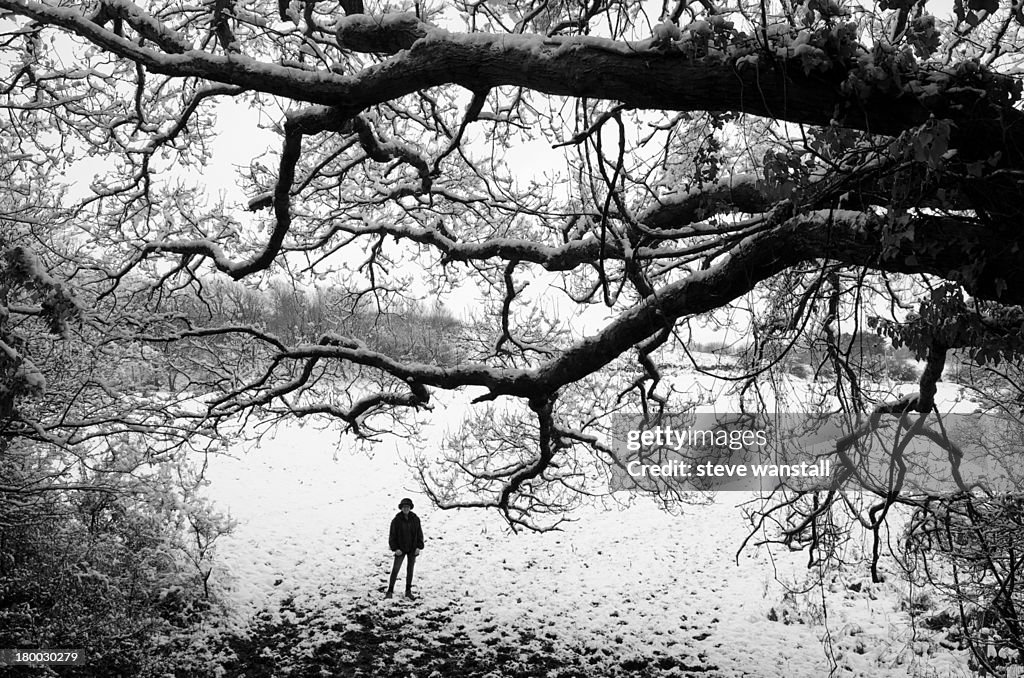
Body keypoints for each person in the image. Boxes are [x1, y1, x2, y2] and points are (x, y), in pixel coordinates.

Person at [386, 497, 424, 599]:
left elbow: (419, 533)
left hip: (412, 549)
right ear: (401, 508)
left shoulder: (415, 519)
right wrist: (395, 548)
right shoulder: (396, 520)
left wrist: (419, 547)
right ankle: (390, 591)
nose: (406, 508)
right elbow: (392, 535)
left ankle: (408, 591)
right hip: (400, 549)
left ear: (410, 508)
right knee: (395, 569)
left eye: (407, 507)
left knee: (410, 570)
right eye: (404, 507)